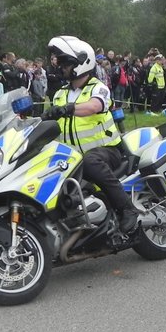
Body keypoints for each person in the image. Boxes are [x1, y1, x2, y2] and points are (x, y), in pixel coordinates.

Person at [43, 35, 139, 235]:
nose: (60, 67)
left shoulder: (98, 87)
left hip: (107, 151)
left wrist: (68, 109)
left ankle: (127, 208)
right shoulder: (60, 93)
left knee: (90, 162)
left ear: (80, 63)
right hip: (73, 158)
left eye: (65, 63)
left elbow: (94, 106)